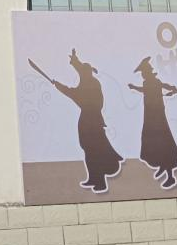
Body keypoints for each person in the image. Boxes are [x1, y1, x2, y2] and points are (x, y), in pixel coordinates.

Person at [50, 49, 124, 193]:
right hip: (87, 121)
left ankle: (100, 182)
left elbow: (72, 92)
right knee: (89, 151)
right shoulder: (88, 81)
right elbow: (79, 75)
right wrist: (74, 61)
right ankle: (93, 178)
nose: (80, 73)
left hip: (92, 122)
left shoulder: (91, 84)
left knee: (94, 151)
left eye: (82, 72)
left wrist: (58, 84)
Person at [129, 57, 177, 189]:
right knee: (153, 141)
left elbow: (160, 87)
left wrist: (171, 89)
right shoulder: (149, 82)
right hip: (151, 116)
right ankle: (162, 165)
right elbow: (150, 89)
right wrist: (135, 87)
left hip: (156, 117)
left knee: (162, 142)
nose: (142, 75)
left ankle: (169, 174)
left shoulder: (153, 81)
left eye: (143, 72)